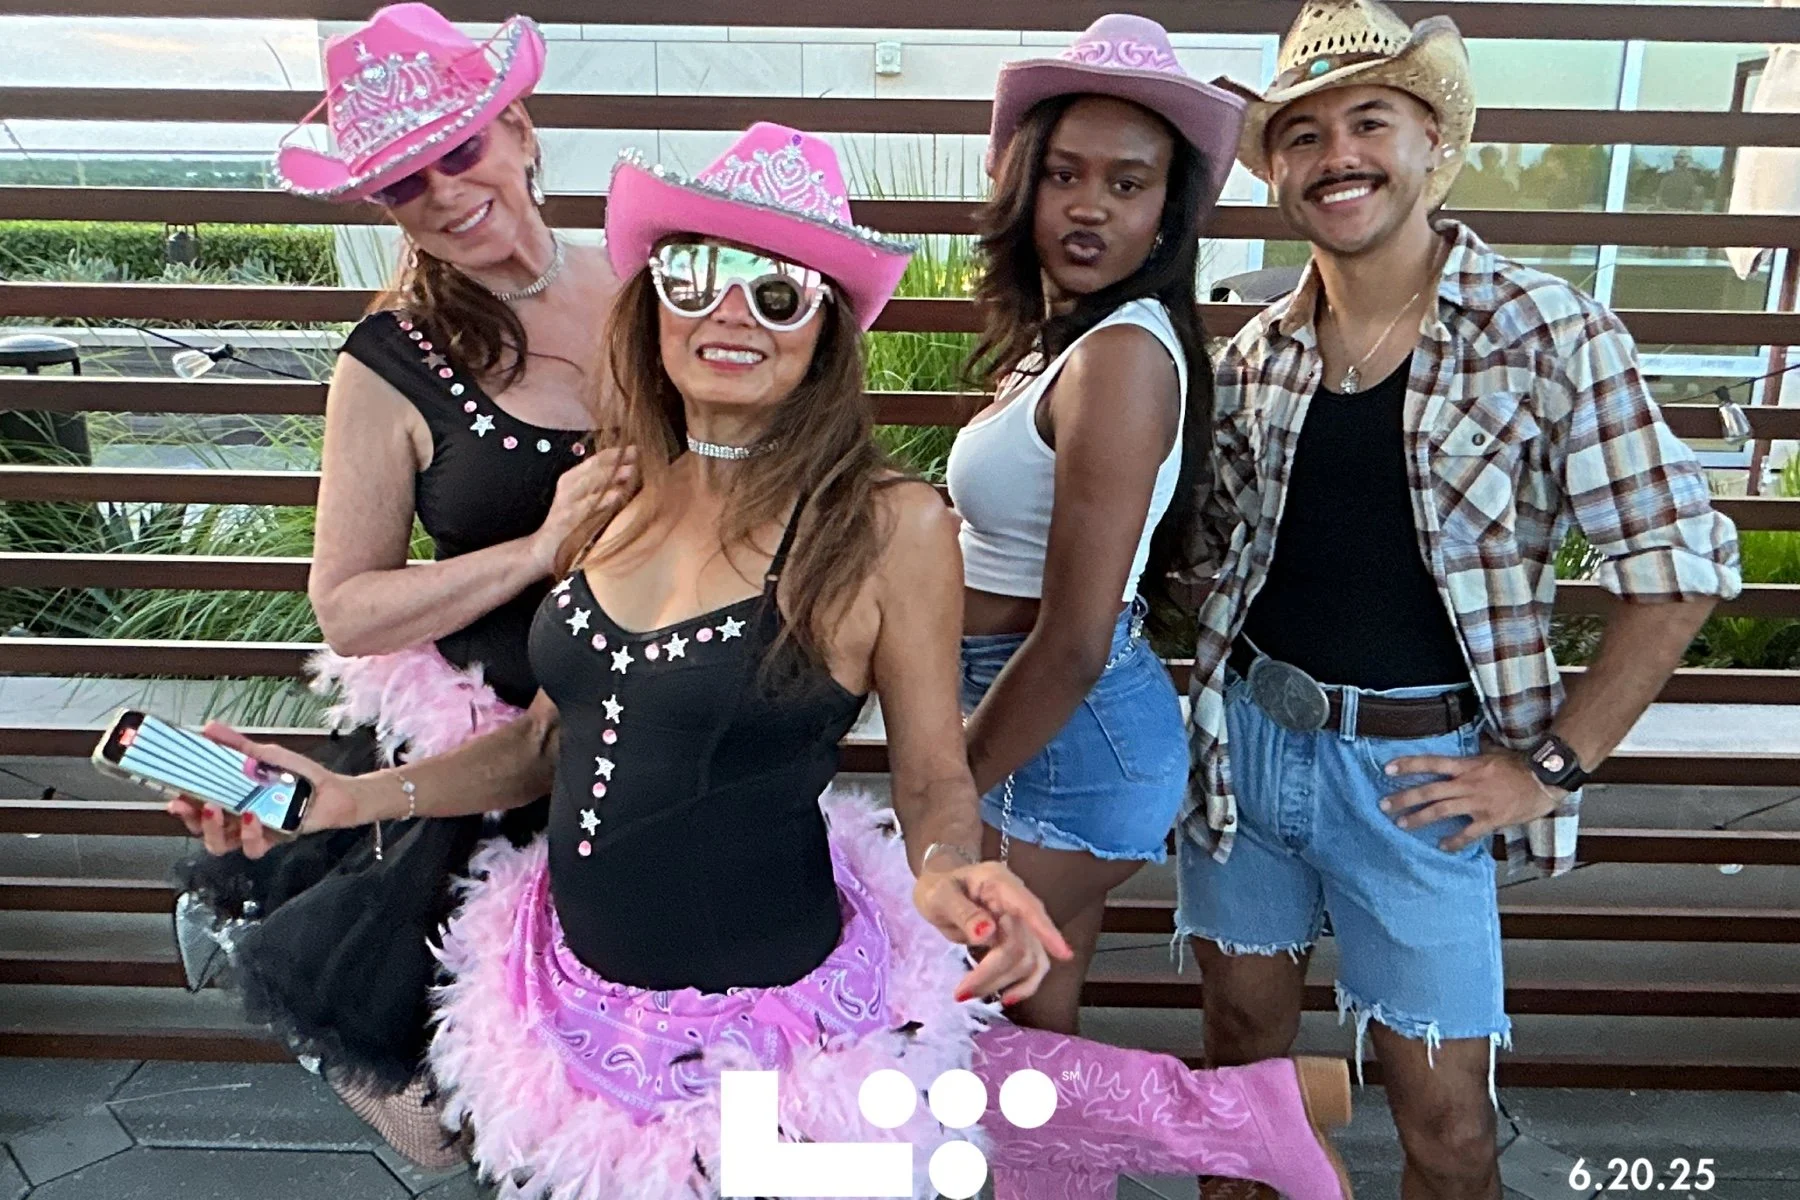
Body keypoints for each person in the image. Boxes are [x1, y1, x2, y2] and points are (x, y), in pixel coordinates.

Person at [174, 123, 1359, 1200]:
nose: (729, 312)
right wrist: (347, 798)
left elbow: (937, 782)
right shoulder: (614, 491)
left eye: (779, 290)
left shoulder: (890, 525)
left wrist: (950, 873)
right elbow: (547, 741)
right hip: (568, 1005)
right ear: (652, 306)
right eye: (693, 276)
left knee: (837, 1144)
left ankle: (1229, 1116)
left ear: (826, 332)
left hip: (780, 1024)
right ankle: (1243, 1114)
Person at [1177, 3, 1744, 1197]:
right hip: (1246, 757)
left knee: (1447, 1132)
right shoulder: (1256, 354)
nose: (1337, 155)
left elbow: (1677, 571)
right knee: (1240, 1078)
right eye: (1303, 134)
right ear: (1277, 170)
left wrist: (1550, 766)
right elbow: (1215, 556)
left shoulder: (1546, 333)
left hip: (1418, 780)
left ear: (1436, 143)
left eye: (1370, 121)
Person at [170, 2, 634, 1168]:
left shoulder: (645, 289)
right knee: (459, 1119)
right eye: (400, 183)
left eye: (459, 151)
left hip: (652, 730)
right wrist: (537, 551)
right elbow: (347, 604)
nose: (440, 192)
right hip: (492, 757)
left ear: (519, 131)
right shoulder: (389, 364)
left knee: (640, 1079)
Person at [947, 14, 1244, 1036]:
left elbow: (1072, 637)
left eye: (1126, 185)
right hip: (1043, 723)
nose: (1088, 209)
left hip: (1066, 737)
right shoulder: (1073, 341)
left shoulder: (1120, 358)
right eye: (1066, 175)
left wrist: (944, 792)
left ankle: (1260, 1134)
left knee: (939, 994)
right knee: (1035, 1027)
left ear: (1167, 213)